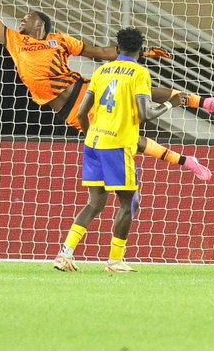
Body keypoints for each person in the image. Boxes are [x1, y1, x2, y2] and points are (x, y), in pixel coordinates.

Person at [0, 0, 214, 178]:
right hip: (71, 112)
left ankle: (203, 102)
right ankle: (187, 162)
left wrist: (142, 52)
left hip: (85, 91)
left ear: (40, 23)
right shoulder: (14, 41)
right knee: (129, 140)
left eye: (27, 17)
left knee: (136, 88)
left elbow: (100, 53)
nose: (22, 20)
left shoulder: (60, 40)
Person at [53, 28, 193, 273]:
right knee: (129, 202)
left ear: (117, 49)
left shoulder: (102, 71)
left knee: (95, 203)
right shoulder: (139, 72)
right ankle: (114, 261)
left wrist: (90, 136)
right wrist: (171, 103)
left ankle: (65, 254)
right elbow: (145, 114)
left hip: (94, 143)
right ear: (140, 51)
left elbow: (82, 113)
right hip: (117, 145)